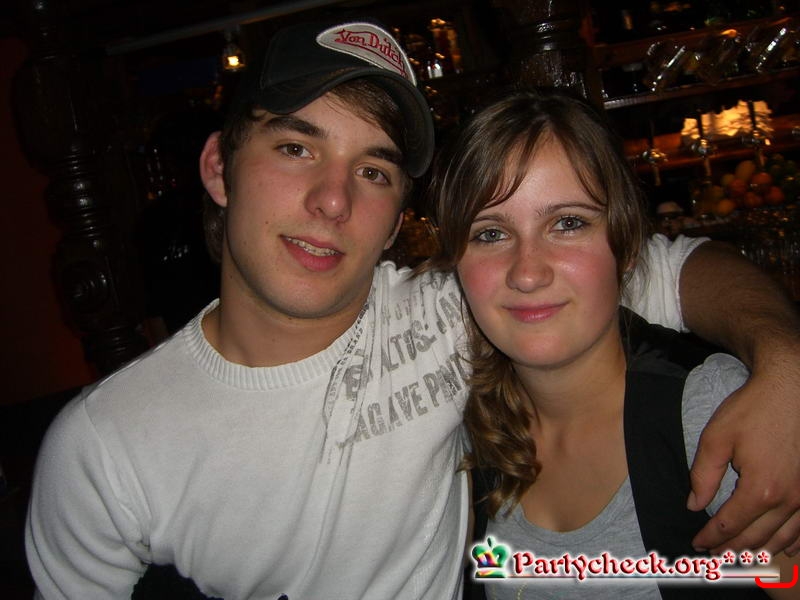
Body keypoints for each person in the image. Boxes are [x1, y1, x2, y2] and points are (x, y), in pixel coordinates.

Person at [24, 18, 800, 600]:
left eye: (374, 170)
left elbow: (674, 265)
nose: (333, 200)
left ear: (398, 219)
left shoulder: (470, 305)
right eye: (296, 148)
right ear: (219, 168)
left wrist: (785, 360)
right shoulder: (104, 447)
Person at [426, 87, 799, 598]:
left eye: (567, 223)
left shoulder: (706, 412)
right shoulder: (462, 431)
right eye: (491, 233)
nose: (528, 272)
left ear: (625, 247)